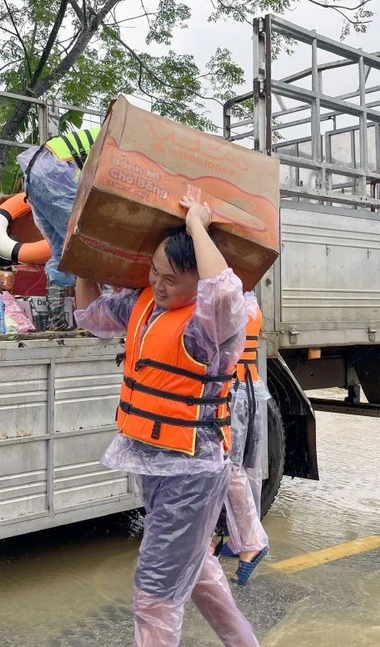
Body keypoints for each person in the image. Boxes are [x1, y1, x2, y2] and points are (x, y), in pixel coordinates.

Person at [75, 195, 259, 647]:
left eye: (171, 279)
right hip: (155, 466)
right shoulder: (145, 305)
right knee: (195, 571)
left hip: (192, 472)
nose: (157, 283)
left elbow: (224, 291)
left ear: (195, 282)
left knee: (154, 592)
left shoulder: (208, 328)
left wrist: (198, 226)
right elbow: (92, 317)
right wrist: (84, 263)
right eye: (154, 271)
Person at [17, 126, 100, 330]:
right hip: (54, 171)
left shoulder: (110, 133)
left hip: (34, 175)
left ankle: (57, 321)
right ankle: (97, 322)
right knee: (86, 246)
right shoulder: (122, 143)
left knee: (61, 250)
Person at [217, 292, 270, 586]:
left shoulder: (233, 303)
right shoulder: (249, 300)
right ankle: (241, 540)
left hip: (235, 392)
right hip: (249, 388)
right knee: (245, 468)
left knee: (229, 467)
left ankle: (250, 541)